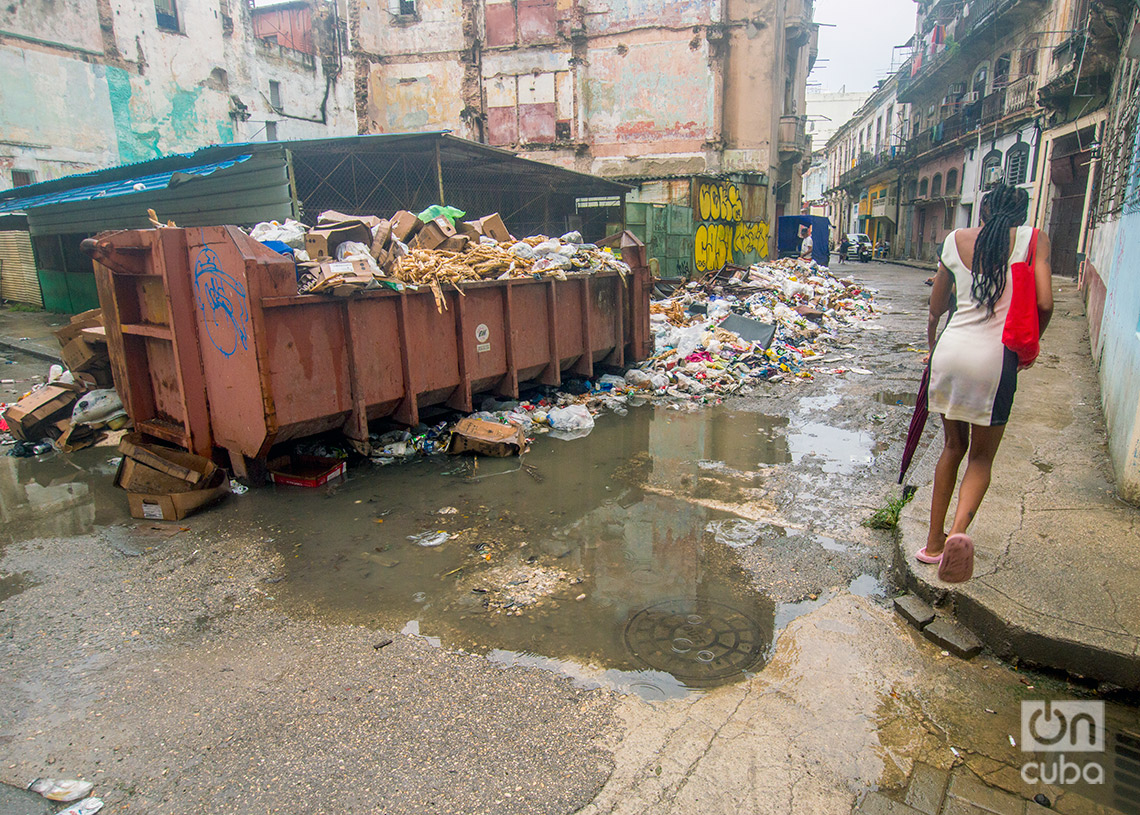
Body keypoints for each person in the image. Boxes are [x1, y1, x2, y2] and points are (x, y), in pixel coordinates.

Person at [917, 184, 1053, 582]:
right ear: (1021, 212)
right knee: (980, 457)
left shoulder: (954, 240)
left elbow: (936, 309)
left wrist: (931, 347)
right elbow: (1044, 303)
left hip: (950, 353)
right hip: (995, 360)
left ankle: (933, 543)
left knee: (951, 447)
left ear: (985, 209)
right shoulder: (1033, 240)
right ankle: (959, 533)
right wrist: (1028, 346)